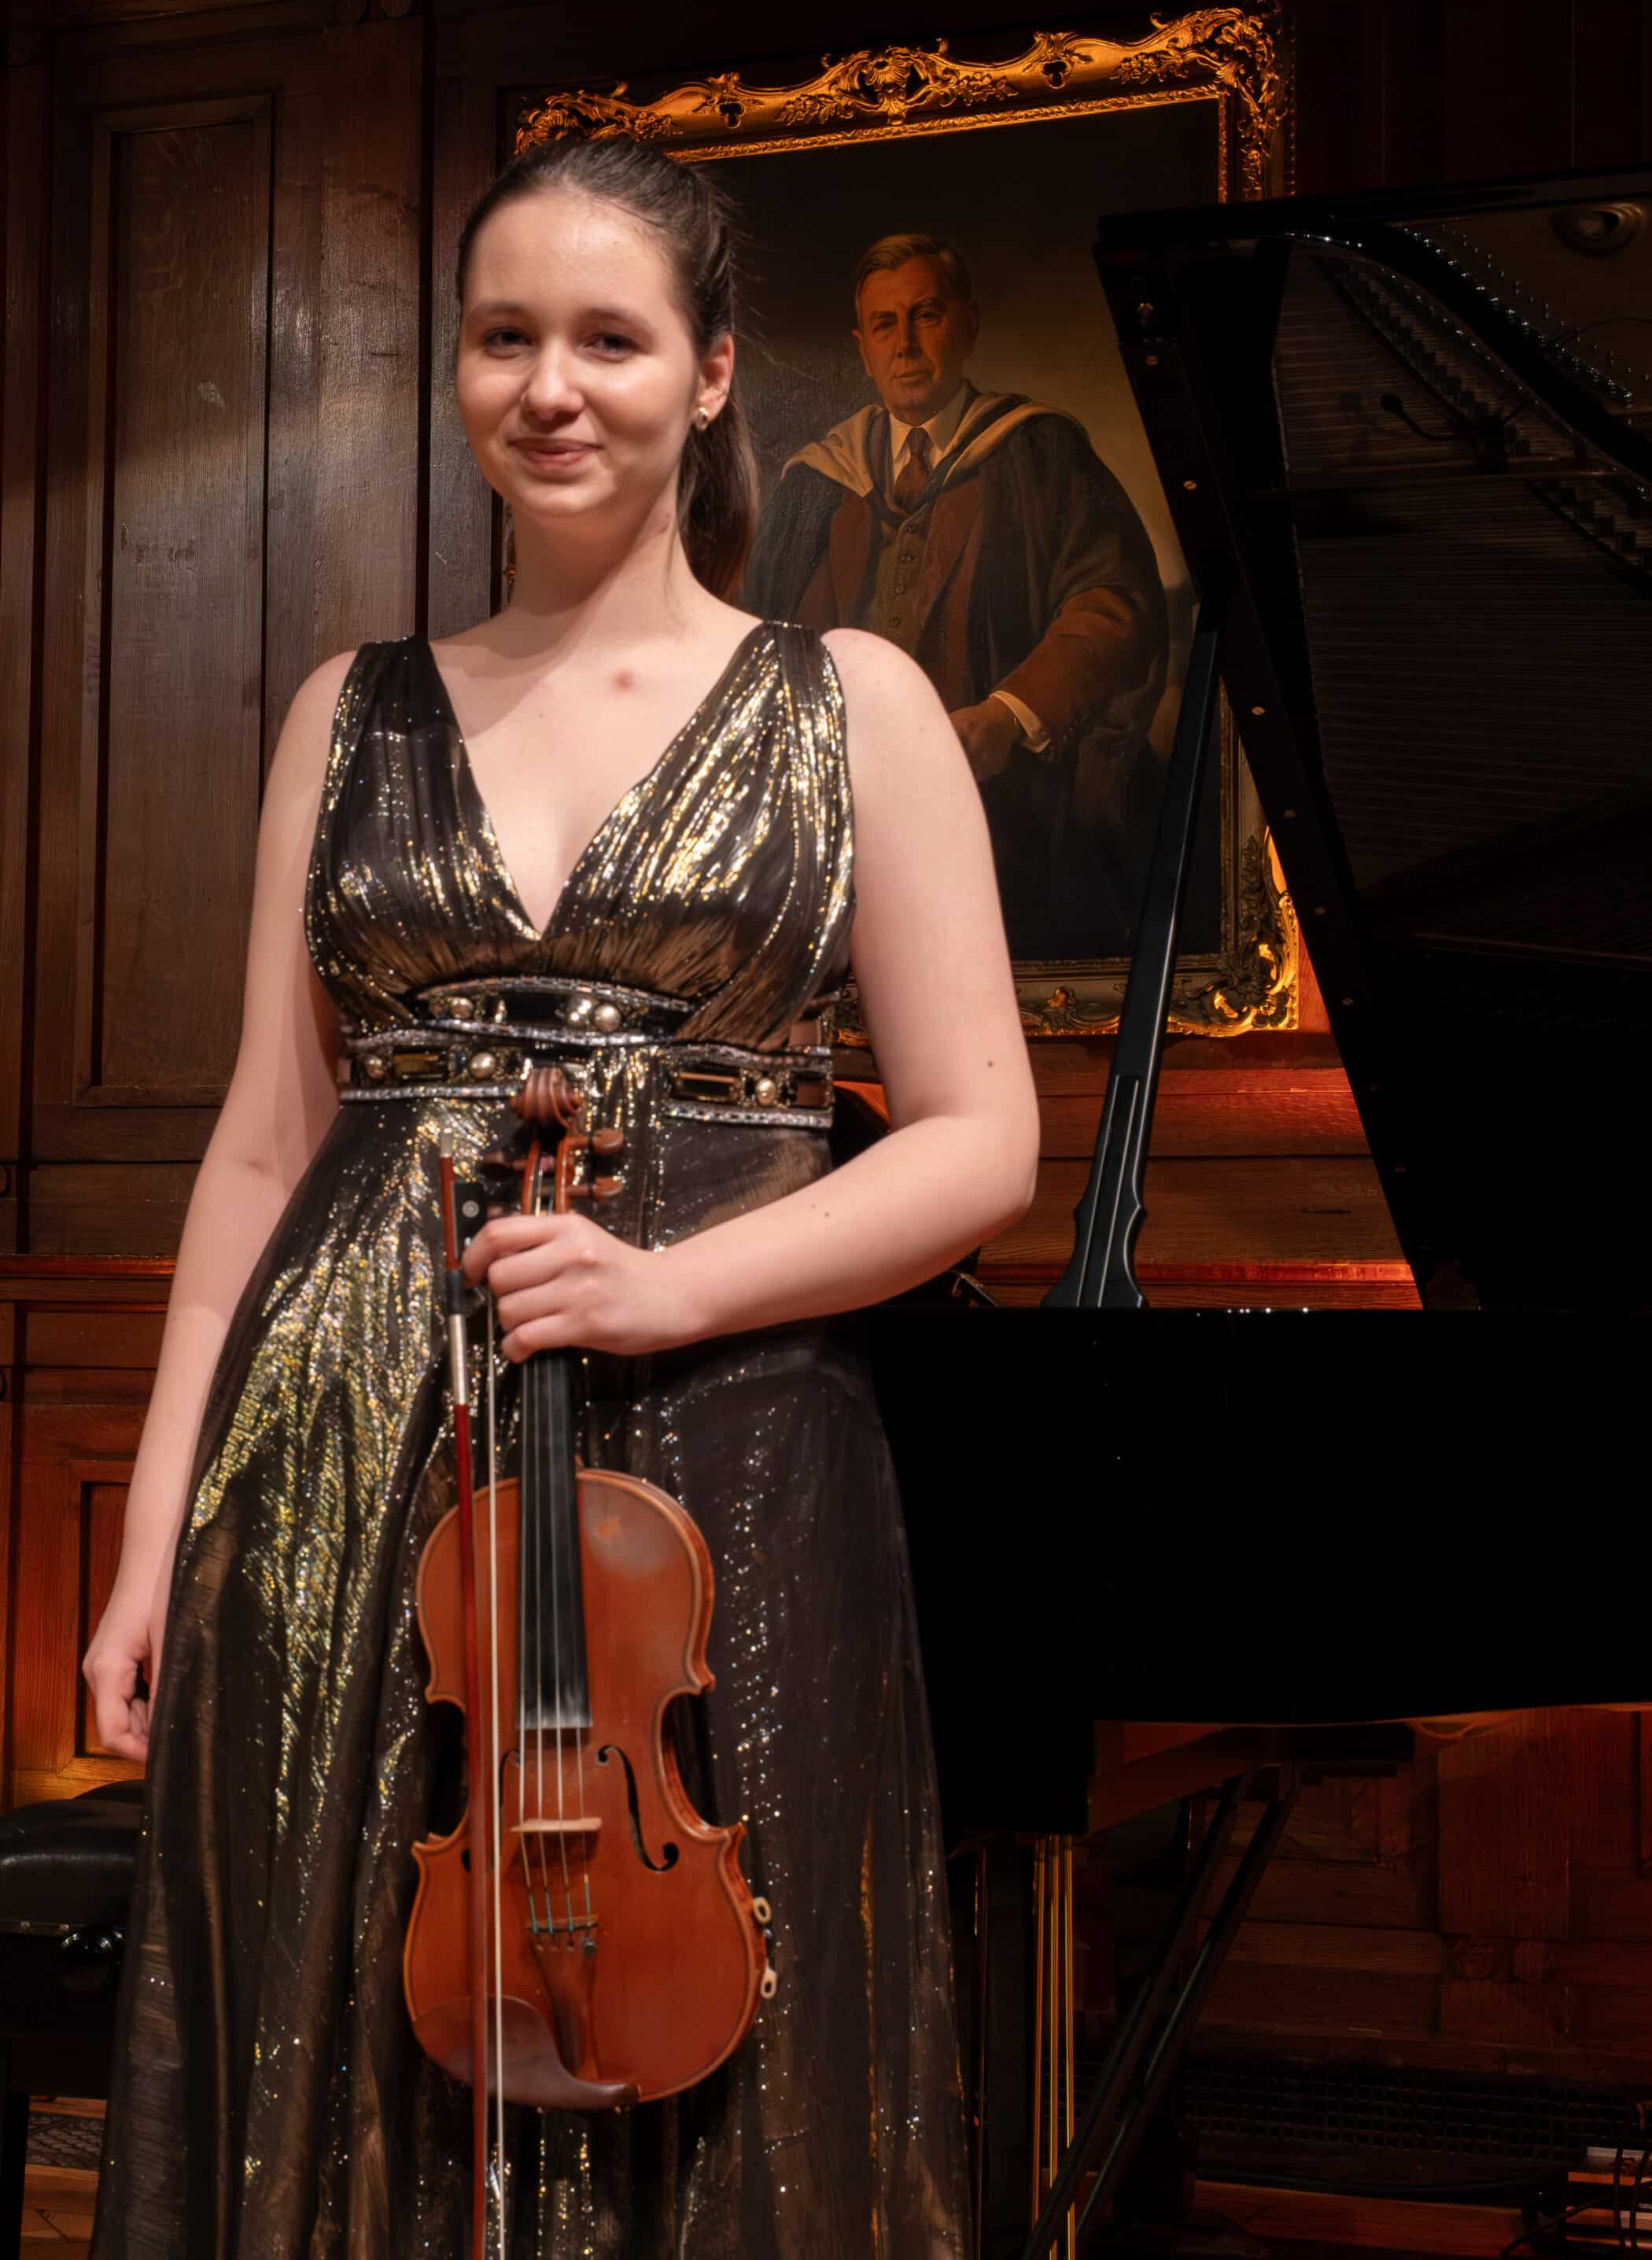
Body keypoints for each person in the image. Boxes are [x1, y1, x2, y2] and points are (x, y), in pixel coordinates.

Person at [81, 135, 1039, 2257]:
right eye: (505, 336)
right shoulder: (350, 709)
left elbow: (982, 1139)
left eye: (608, 336)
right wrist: (157, 1530)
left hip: (736, 1450)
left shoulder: (851, 699)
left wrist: (666, 1289)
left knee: (725, 2013)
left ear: (707, 375)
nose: (550, 383)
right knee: (338, 1995)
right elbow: (261, 1138)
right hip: (342, 1448)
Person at [744, 232, 1170, 957]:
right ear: (863, 346)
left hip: (1009, 815)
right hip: (850, 832)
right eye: (885, 325)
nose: (905, 344)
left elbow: (1115, 602)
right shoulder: (816, 483)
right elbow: (762, 643)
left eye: (927, 316)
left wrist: (1008, 717)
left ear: (968, 326)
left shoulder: (1038, 454)